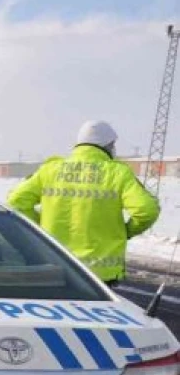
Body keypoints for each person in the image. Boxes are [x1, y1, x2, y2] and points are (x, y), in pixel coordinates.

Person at [8, 120, 160, 286]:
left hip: (52, 265)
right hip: (99, 275)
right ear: (107, 145)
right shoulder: (118, 173)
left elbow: (16, 201)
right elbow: (147, 210)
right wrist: (126, 231)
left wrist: (40, 228)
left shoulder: (50, 170)